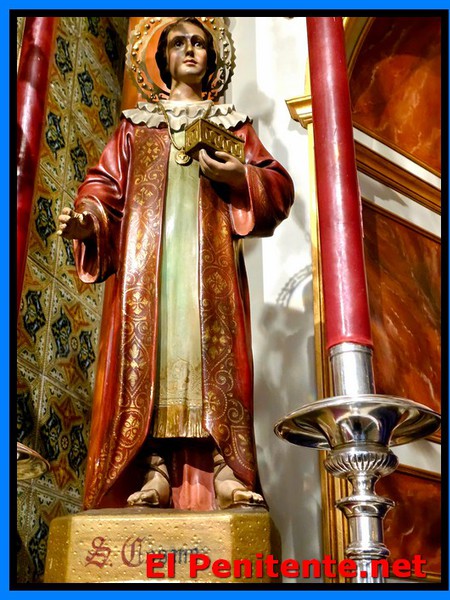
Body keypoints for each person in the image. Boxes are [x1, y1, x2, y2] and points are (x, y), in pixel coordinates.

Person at [58, 17, 294, 512]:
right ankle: (154, 470)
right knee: (155, 358)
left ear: (212, 58)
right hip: (151, 267)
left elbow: (277, 185)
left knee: (213, 358)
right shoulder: (136, 126)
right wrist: (87, 220)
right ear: (163, 59)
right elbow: (104, 187)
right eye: (179, 43)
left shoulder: (232, 124)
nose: (190, 50)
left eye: (199, 44)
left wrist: (241, 177)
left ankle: (226, 467)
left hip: (211, 268)